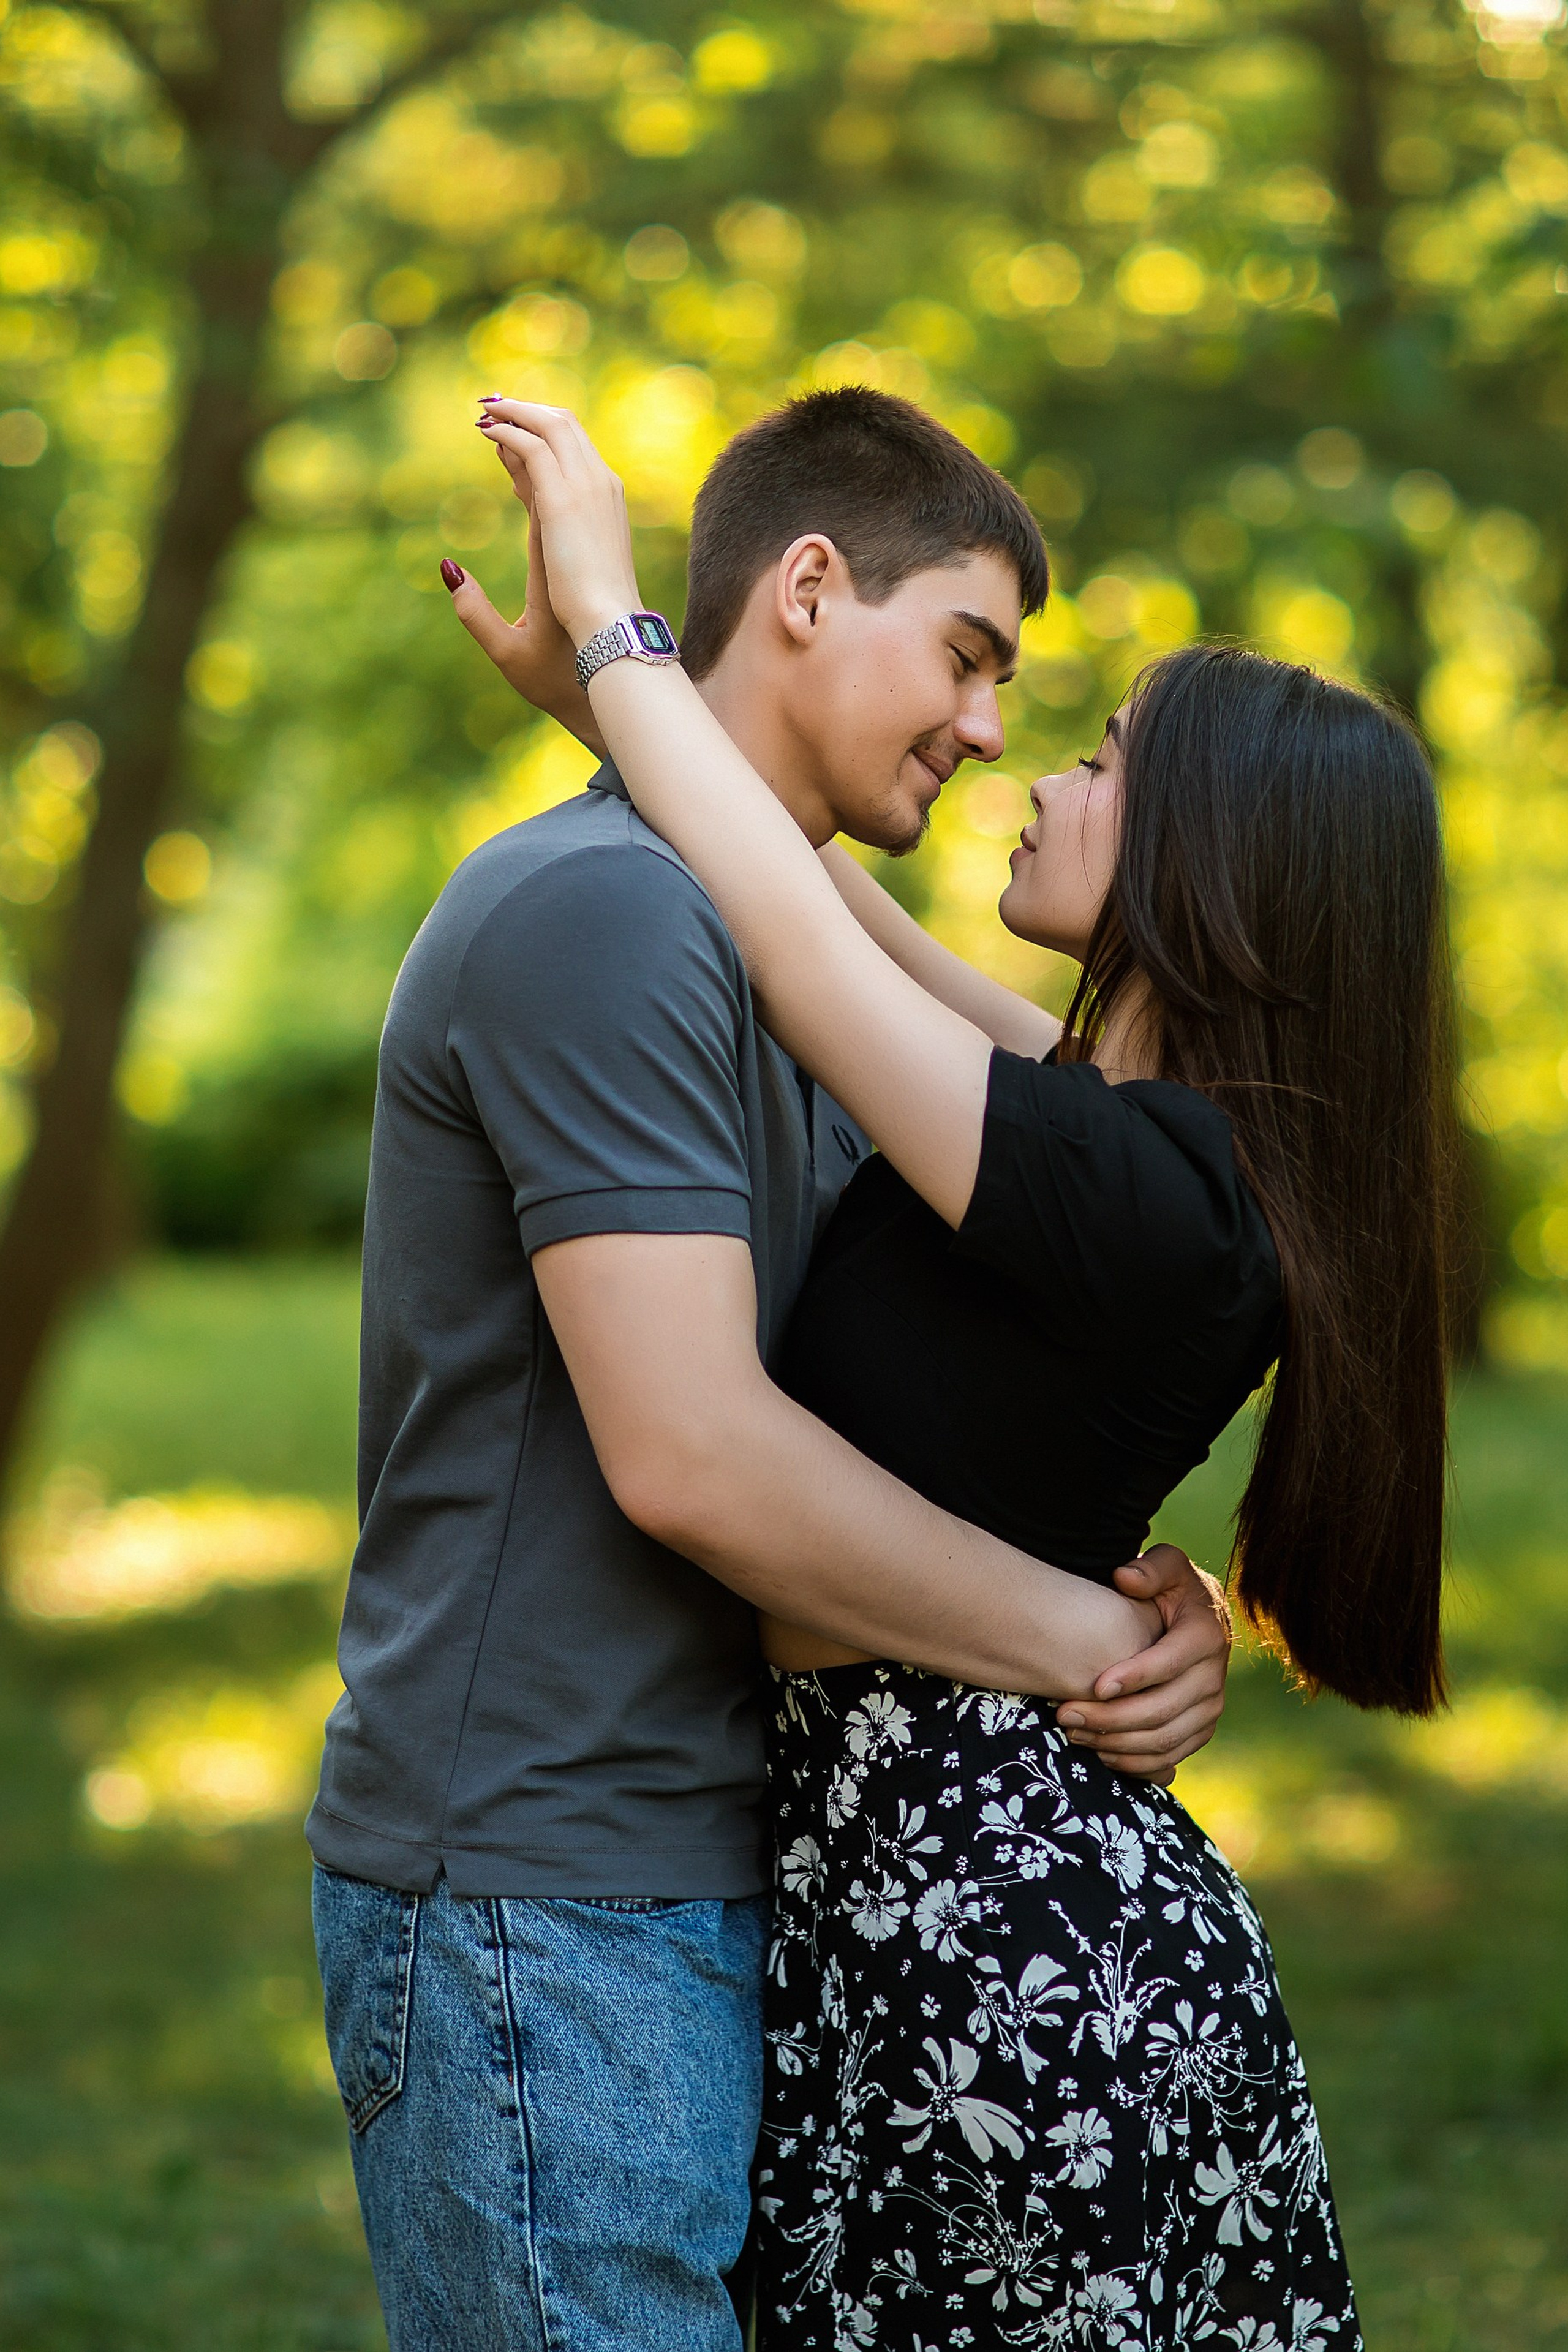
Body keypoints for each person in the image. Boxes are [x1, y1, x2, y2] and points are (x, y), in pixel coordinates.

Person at [475, 393, 1459, 2351]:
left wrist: (616, 615)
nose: (1037, 771)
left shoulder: (1129, 1179)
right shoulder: (1141, 1140)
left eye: (1099, 760)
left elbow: (793, 938)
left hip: (1003, 1936)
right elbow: (830, 896)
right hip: (942, 1876)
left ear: (1214, 854)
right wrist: (627, 717)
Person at [308, 389, 1236, 2352]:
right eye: (969, 656)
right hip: (543, 1907)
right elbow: (703, 1461)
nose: (989, 730)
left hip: (739, 1872)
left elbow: (1054, 1204)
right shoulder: (609, 921)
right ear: (810, 587)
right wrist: (1084, 1639)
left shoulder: (786, 964)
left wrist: (1166, 1614)